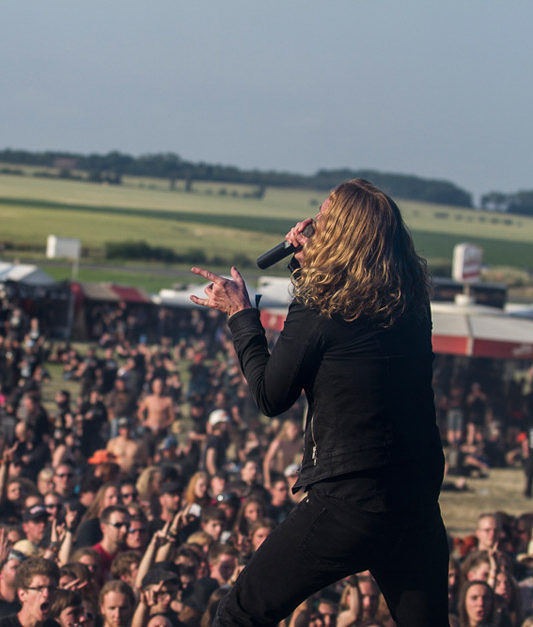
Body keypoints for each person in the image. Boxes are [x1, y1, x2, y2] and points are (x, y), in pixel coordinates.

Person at [190, 179, 447, 626]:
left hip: (350, 499)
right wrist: (310, 268)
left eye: (324, 220)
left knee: (241, 614)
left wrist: (241, 316)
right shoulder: (412, 304)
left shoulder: (321, 307)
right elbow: (351, 332)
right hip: (416, 497)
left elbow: (271, 395)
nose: (312, 225)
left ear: (342, 236)